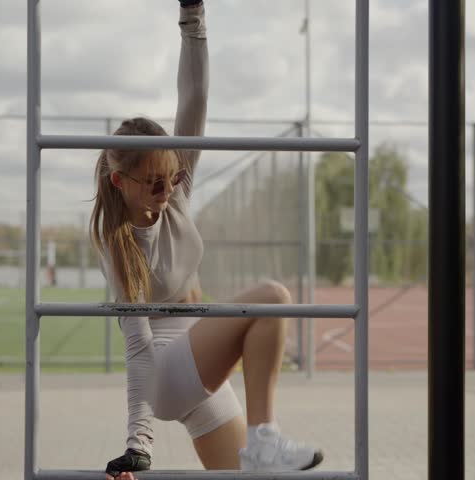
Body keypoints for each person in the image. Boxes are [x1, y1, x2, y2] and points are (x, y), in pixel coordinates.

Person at [92, 2, 324, 478]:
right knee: (273, 298)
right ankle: (265, 440)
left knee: (240, 477)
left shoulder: (175, 191)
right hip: (166, 369)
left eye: (173, 177)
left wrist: (192, 16)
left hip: (196, 365)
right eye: (154, 182)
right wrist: (138, 442)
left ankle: (259, 449)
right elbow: (136, 345)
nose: (168, 188)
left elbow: (193, 97)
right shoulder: (116, 242)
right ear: (122, 183)